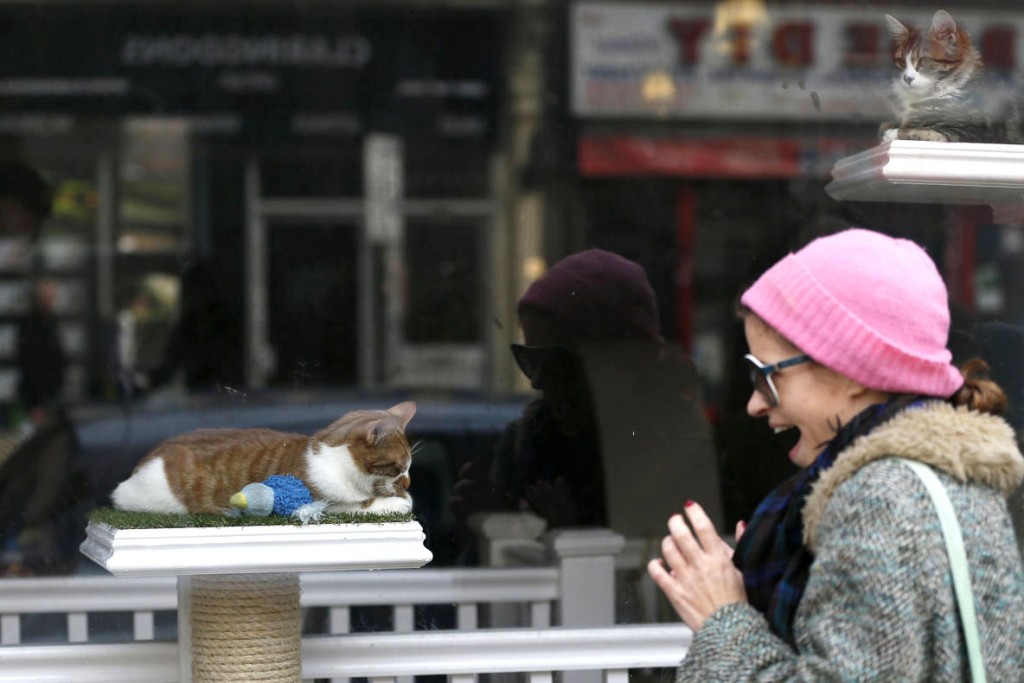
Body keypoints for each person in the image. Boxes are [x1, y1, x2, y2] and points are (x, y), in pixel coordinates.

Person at [648, 228, 1024, 679]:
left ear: (853, 370)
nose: (754, 403)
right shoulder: (959, 477)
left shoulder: (879, 501)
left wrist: (721, 618)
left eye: (766, 374)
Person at [449, 248, 720, 557]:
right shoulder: (529, 442)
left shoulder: (677, 450)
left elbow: (661, 582)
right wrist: (492, 525)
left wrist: (575, 538)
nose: (538, 381)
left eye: (556, 363)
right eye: (530, 360)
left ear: (615, 363)